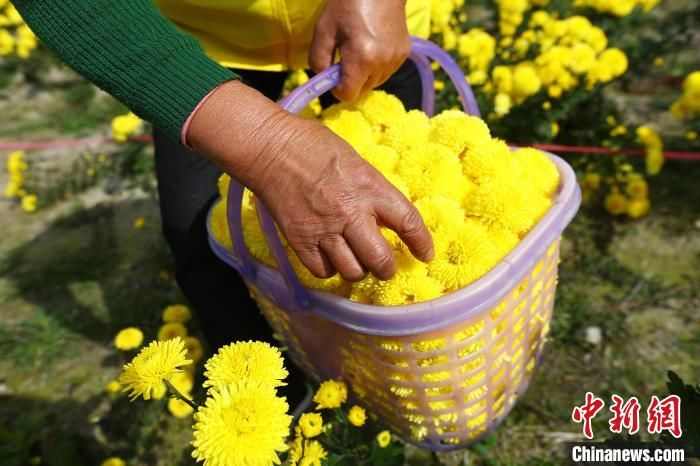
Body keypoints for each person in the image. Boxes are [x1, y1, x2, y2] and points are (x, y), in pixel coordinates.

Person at [12, 0, 435, 397]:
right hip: (202, 42)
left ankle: (386, 395)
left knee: (398, 240)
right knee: (200, 246)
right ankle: (269, 415)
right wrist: (268, 147)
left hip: (368, 23)